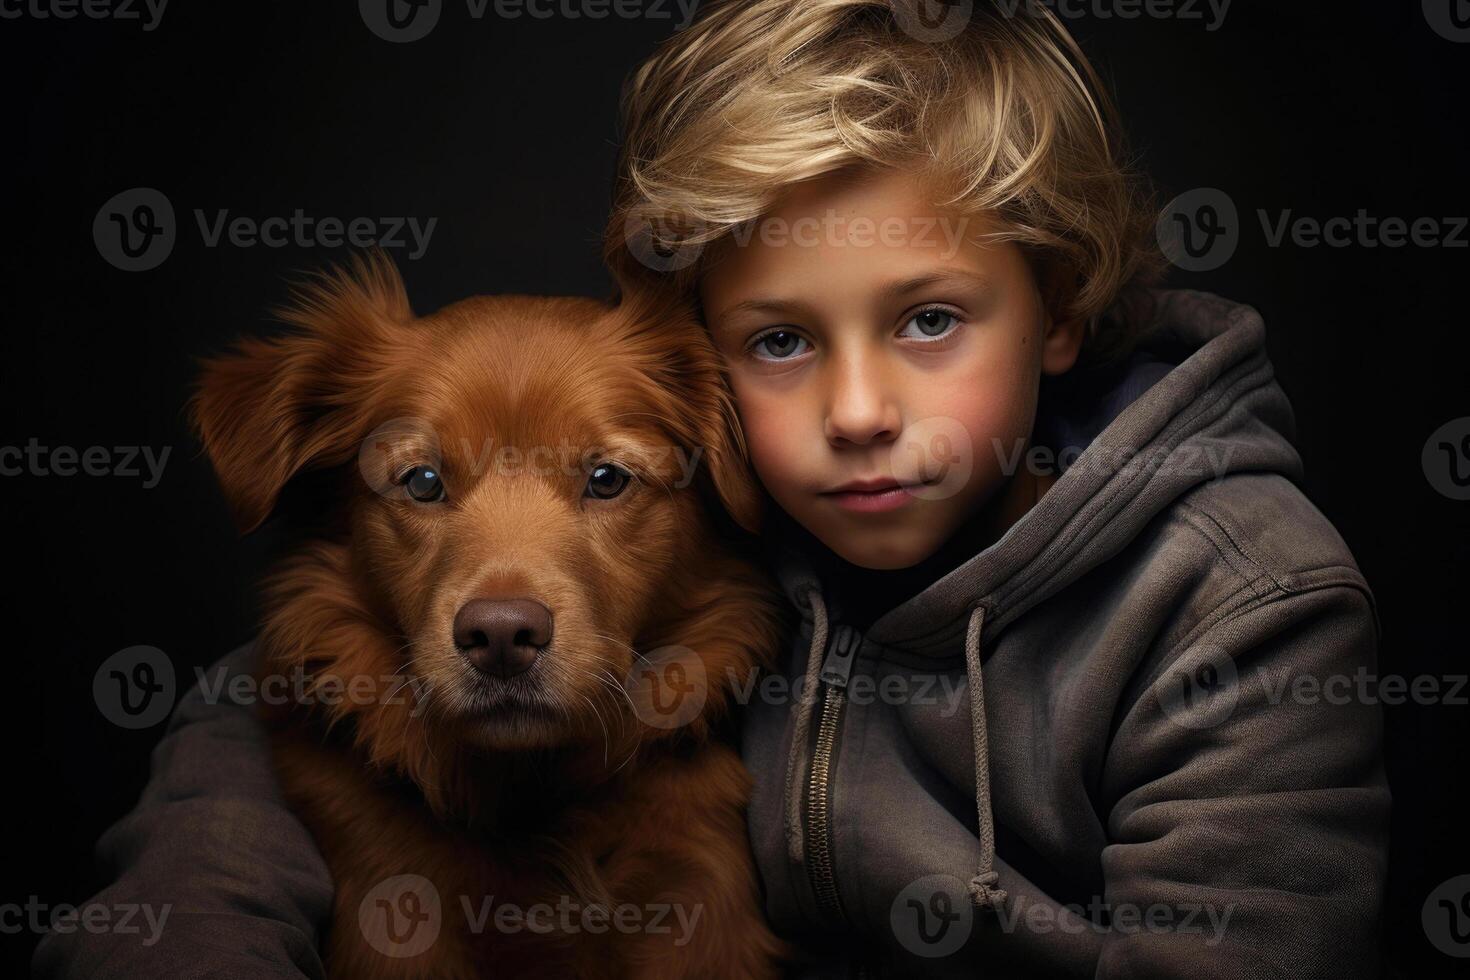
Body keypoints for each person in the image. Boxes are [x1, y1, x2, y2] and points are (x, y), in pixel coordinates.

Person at [36, 2, 1389, 977]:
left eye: (929, 321)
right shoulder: (755, 531)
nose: (857, 416)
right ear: (713, 370)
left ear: (1059, 304)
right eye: (782, 342)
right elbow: (273, 715)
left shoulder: (1239, 603)